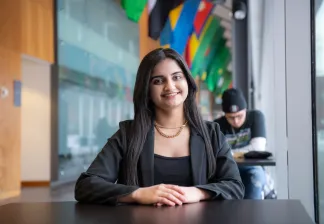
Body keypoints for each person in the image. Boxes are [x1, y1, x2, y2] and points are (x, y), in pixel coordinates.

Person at [74, 48, 244, 206]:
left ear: (188, 82)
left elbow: (235, 186)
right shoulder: (128, 134)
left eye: (177, 77)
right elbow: (86, 186)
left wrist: (198, 193)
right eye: (158, 80)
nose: (170, 86)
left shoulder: (211, 134)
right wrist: (138, 194)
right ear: (147, 89)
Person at [214, 88, 266, 199]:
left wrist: (229, 153)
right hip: (228, 170)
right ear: (225, 115)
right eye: (231, 118)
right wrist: (247, 151)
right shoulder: (217, 125)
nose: (236, 121)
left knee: (256, 177)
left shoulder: (256, 117)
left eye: (240, 116)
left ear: (245, 110)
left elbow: (258, 148)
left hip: (252, 167)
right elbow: (215, 154)